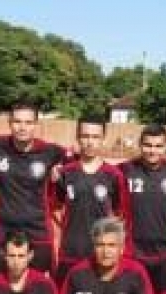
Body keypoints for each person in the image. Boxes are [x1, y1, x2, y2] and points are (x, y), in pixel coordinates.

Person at [0, 101, 66, 276]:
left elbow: (75, 159)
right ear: (10, 123)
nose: (22, 127)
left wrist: (59, 168)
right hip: (3, 231)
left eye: (28, 123)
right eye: (17, 122)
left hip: (39, 231)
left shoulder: (50, 152)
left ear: (36, 125)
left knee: (40, 289)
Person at [51, 117, 128, 285]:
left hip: (100, 253)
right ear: (78, 138)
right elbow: (55, 208)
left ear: (103, 139)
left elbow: (120, 214)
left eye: (95, 137)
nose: (89, 142)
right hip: (70, 252)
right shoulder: (65, 173)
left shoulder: (114, 175)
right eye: (85, 136)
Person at [118, 124, 166, 294]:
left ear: (165, 146)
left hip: (165, 253)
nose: (152, 151)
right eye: (148, 145)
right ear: (140, 144)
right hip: (133, 252)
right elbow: (98, 170)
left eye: (158, 146)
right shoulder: (125, 170)